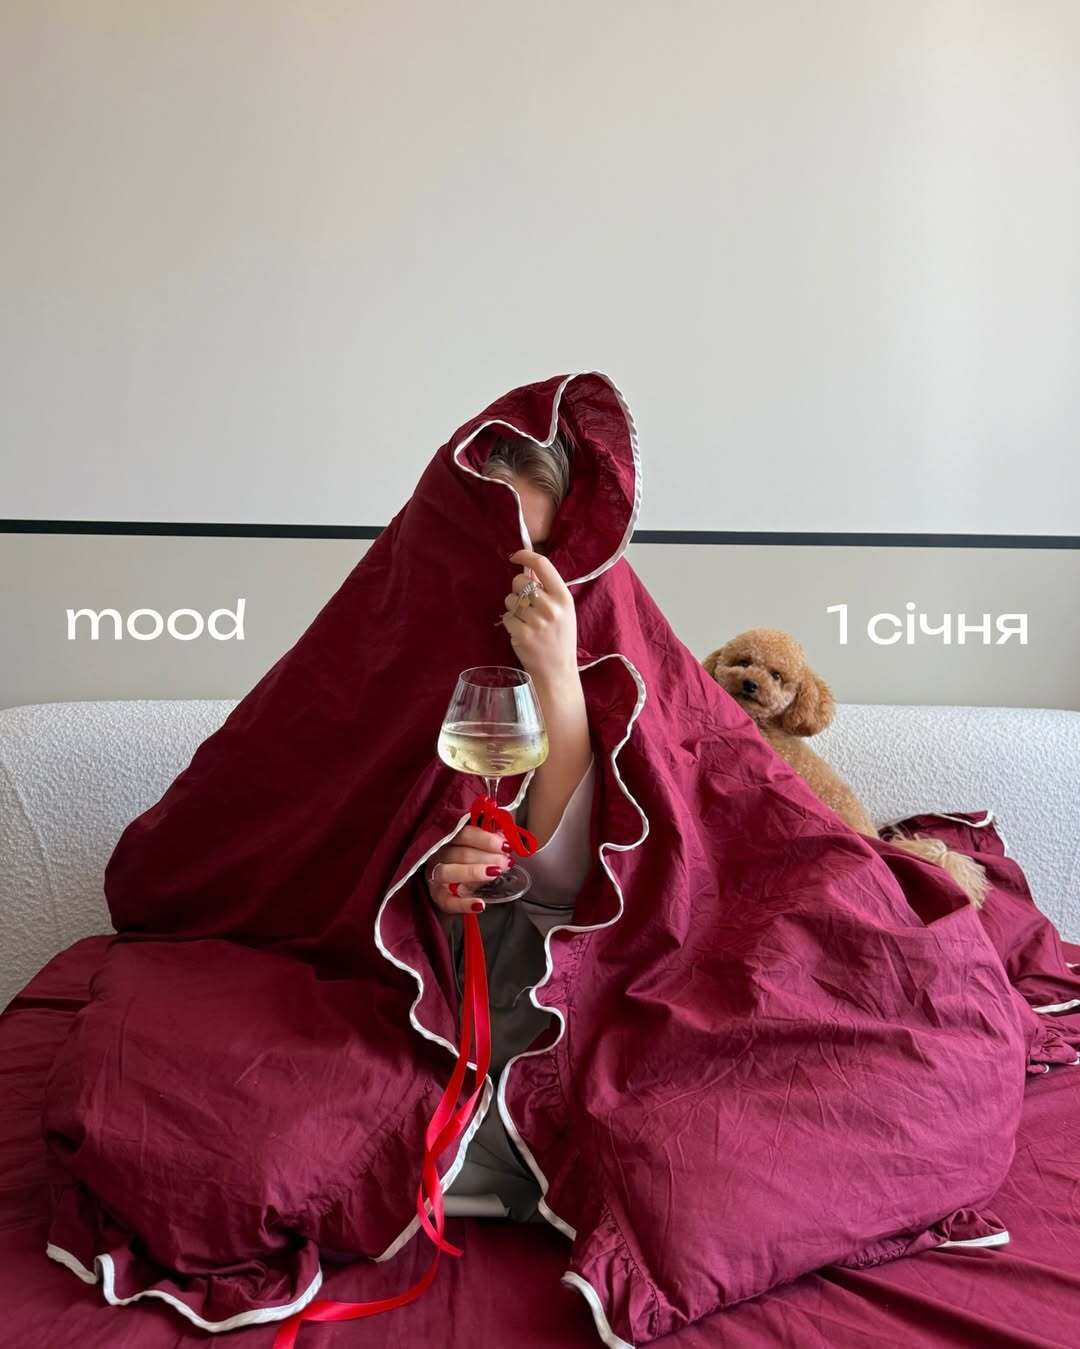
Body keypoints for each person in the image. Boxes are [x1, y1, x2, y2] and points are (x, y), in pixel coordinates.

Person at [425, 431, 598, 1221]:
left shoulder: (604, 652)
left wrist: (556, 672)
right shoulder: (400, 643)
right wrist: (427, 881)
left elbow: (565, 881)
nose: (521, 588)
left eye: (542, 556)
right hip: (434, 990)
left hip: (560, 985)